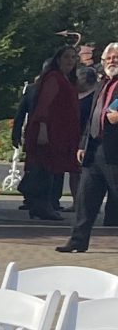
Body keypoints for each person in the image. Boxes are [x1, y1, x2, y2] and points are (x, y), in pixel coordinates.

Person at [59, 40, 118, 251]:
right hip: (95, 149)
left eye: (116, 58)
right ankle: (78, 241)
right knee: (86, 197)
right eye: (108, 58)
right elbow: (93, 114)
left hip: (115, 151)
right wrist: (83, 143)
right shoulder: (102, 84)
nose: (112, 61)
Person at [18, 45, 79, 222]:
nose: (70, 61)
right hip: (48, 131)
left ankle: (41, 206)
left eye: (73, 57)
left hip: (60, 131)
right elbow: (44, 104)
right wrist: (42, 128)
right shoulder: (53, 78)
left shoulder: (67, 79)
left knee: (50, 168)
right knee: (44, 168)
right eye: (66, 57)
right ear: (58, 59)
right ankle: (41, 205)